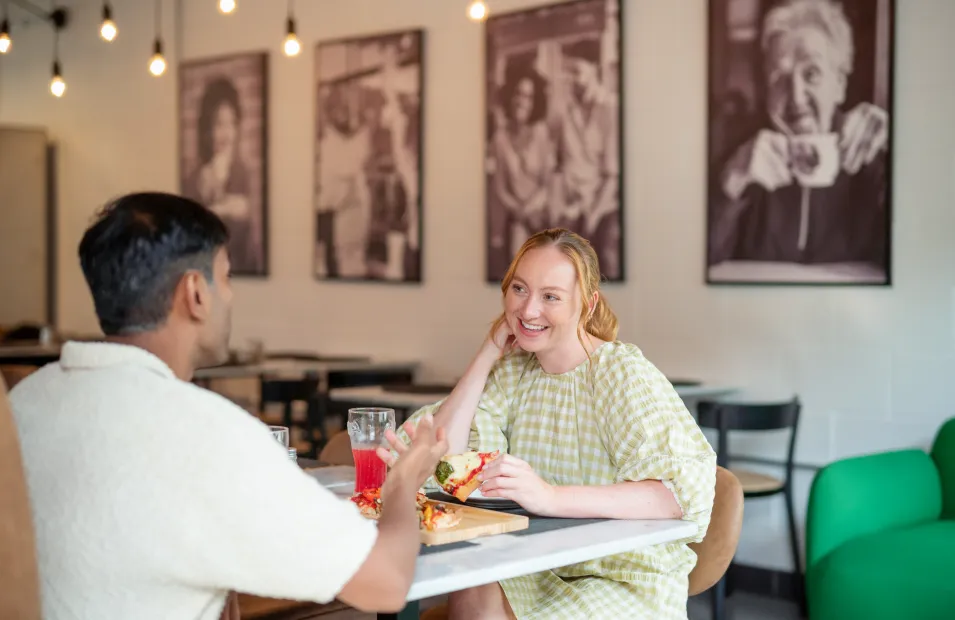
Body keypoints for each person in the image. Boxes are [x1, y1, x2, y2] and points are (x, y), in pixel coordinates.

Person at [9, 192, 447, 620]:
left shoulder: (25, 401)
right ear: (196, 293)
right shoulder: (208, 433)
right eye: (228, 277)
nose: (232, 296)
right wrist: (403, 483)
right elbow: (387, 582)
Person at [386, 229, 717, 619]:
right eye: (520, 289)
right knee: (474, 578)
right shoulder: (514, 370)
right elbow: (445, 461)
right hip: (537, 561)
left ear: (588, 304)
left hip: (621, 573)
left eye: (551, 297)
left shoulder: (621, 374)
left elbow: (679, 495)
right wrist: (487, 352)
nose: (528, 311)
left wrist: (549, 497)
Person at [708, 0, 889, 271]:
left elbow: (924, 260)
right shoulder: (740, 153)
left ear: (839, 84)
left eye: (812, 73)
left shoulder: (872, 158)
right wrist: (730, 184)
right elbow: (692, 264)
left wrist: (899, 161)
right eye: (779, 78)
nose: (796, 96)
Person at [551, 38, 620, 280]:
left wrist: (592, 215)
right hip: (572, 209)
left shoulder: (611, 110)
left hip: (603, 208)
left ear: (594, 70)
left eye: (576, 71)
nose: (570, 79)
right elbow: (559, 167)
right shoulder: (564, 113)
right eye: (567, 73)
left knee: (607, 270)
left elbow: (612, 178)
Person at [183, 77, 262, 274]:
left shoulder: (243, 174)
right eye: (219, 124)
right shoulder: (193, 180)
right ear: (207, 129)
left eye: (231, 124)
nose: (227, 134)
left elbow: (251, 242)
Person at [488, 59, 554, 276]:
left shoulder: (541, 133)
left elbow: (548, 182)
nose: (521, 101)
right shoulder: (500, 139)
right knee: (520, 269)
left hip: (543, 215)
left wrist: (531, 208)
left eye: (528, 96)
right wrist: (519, 211)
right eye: (518, 94)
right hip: (516, 217)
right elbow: (500, 187)